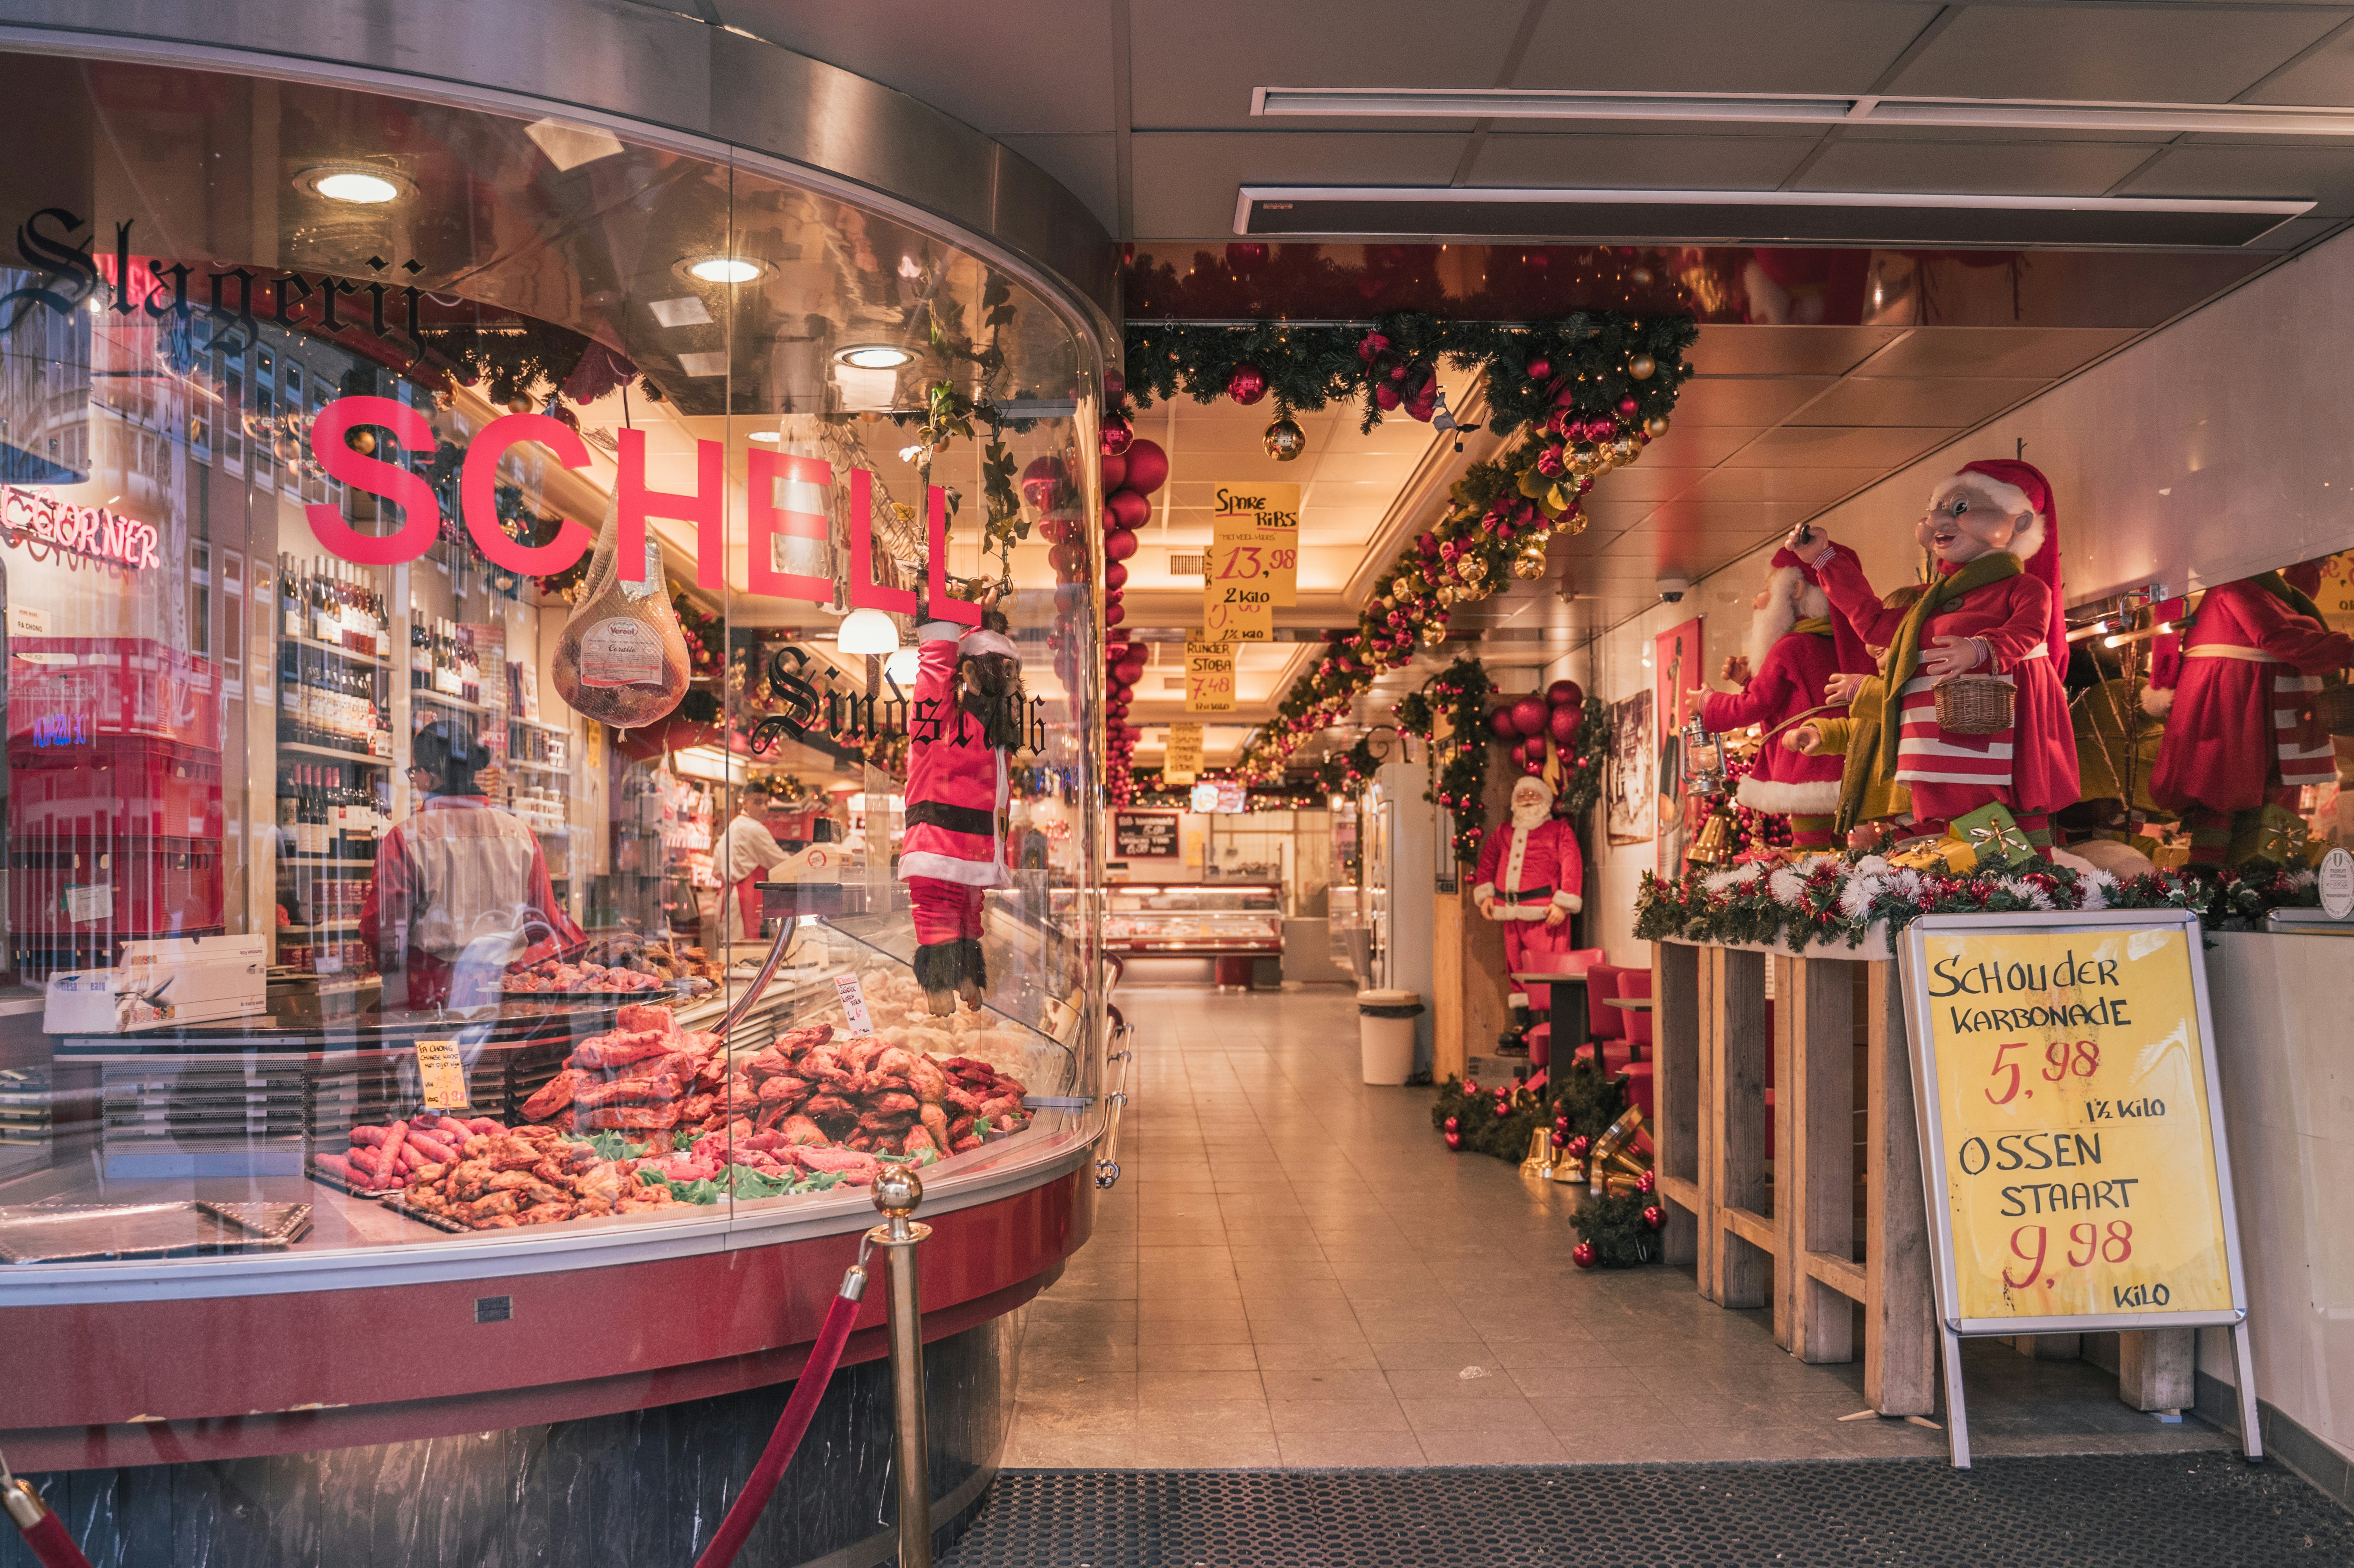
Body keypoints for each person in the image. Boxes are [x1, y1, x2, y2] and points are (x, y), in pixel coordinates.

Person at [1786, 459, 2079, 849]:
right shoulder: (1929, 603)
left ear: (2020, 522)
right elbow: (1872, 622)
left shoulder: (2024, 587)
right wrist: (1824, 559)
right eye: (1936, 510)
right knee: (1961, 823)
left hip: (2001, 731)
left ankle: (2023, 886)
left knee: (2012, 821)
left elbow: (2027, 631)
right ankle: (1983, 885)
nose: (1941, 521)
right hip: (1941, 738)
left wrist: (1979, 649)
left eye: (1959, 508)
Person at [361, 721, 580, 1010]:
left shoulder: (407, 839)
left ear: (428, 775)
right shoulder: (520, 834)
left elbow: (384, 931)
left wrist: (390, 969)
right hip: (507, 995)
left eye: (416, 773)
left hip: (430, 997)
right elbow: (543, 923)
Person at [2150, 561, 2351, 867]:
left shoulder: (2256, 586)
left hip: (2251, 699)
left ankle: (2244, 879)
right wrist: (2344, 650)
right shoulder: (2234, 584)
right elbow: (2276, 636)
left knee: (2250, 799)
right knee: (2221, 791)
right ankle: (2211, 879)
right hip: (2235, 698)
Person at [1689, 546, 1875, 850]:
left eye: (1766, 589)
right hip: (1844, 767)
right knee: (1840, 850)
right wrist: (1749, 679)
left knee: (1811, 854)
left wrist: (1708, 703)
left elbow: (1756, 706)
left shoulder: (1789, 648)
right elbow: (1799, 698)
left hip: (1807, 767)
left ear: (1795, 589)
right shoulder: (1836, 644)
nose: (1756, 600)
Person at [901, 601, 1023, 1015]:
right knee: (938, 909)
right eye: (998, 671)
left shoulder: (999, 737)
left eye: (1010, 673)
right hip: (937, 840)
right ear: (969, 675)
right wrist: (939, 631)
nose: (1006, 683)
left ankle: (968, 974)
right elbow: (933, 678)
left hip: (976, 851)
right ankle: (936, 983)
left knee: (970, 911)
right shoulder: (938, 724)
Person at [1473, 773, 1584, 974]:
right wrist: (1486, 895)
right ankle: (1523, 1005)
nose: (1527, 800)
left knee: (1547, 969)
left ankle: (1547, 1005)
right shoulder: (1503, 832)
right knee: (1517, 968)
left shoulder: (1559, 831)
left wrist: (1563, 904)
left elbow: (1572, 867)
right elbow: (1488, 863)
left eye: (1533, 795)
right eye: (1522, 796)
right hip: (1510, 912)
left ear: (1545, 800)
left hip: (1545, 912)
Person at [718, 781, 793, 946]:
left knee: (732, 950)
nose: (764, 808)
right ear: (745, 803)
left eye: (767, 803)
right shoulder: (755, 829)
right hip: (747, 898)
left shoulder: (733, 827)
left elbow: (716, 869)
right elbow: (782, 863)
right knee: (745, 952)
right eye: (758, 802)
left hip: (730, 897)